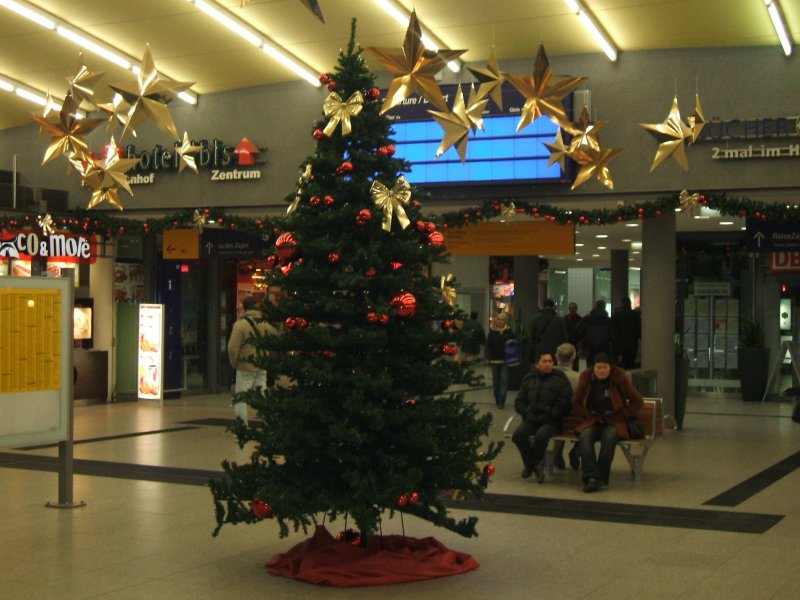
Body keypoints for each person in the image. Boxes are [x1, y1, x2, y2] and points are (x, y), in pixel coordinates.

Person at [571, 353, 643, 492]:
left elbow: (638, 401)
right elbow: (575, 402)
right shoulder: (586, 378)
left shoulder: (619, 378)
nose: (602, 370)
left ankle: (600, 478)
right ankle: (591, 475)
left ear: (610, 368)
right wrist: (585, 415)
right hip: (593, 419)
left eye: (605, 367)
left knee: (609, 439)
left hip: (615, 420)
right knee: (585, 437)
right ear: (593, 368)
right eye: (599, 367)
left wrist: (624, 414)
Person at [512, 352, 572, 483]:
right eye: (544, 361)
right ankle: (535, 465)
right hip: (531, 418)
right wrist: (526, 412)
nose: (548, 364)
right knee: (518, 435)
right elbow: (519, 401)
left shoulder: (560, 379)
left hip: (551, 420)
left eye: (550, 361)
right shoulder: (529, 379)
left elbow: (565, 401)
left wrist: (552, 413)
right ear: (537, 364)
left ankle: (530, 465)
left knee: (541, 436)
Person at [227, 296, 277, 425]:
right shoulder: (265, 323)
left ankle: (242, 425)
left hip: (245, 366)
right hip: (261, 364)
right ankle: (268, 421)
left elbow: (233, 347)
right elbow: (275, 340)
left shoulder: (240, 325)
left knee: (241, 397)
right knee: (262, 395)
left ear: (244, 307)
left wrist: (234, 362)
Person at [553, 343, 580, 470]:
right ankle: (576, 450)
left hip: (553, 419)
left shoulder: (548, 376)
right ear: (574, 358)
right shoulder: (579, 378)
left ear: (556, 357)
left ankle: (556, 452)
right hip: (575, 422)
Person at [485, 312, 514, 409]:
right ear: (496, 320)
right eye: (499, 319)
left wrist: (512, 342)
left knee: (504, 380)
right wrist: (487, 358)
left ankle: (501, 401)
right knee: (496, 381)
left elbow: (515, 344)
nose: (501, 321)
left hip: (505, 360)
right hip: (494, 360)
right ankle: (497, 398)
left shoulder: (509, 332)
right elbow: (488, 346)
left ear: (505, 321)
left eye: (503, 320)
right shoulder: (492, 332)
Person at [529, 298, 567, 363]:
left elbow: (532, 336)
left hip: (540, 351)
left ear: (543, 306)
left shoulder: (535, 319)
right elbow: (564, 337)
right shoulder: (559, 320)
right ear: (553, 307)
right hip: (555, 352)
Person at [577, 300, 612, 367]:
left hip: (590, 346)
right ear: (604, 307)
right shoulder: (608, 320)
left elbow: (580, 331)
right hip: (604, 346)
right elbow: (612, 334)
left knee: (590, 365)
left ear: (595, 306)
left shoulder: (588, 318)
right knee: (603, 364)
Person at [610, 297, 641, 369]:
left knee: (621, 364)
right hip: (632, 343)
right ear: (630, 304)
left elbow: (613, 330)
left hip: (620, 344)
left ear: (622, 304)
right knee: (631, 363)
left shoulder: (616, 315)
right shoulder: (635, 315)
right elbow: (639, 330)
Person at [563, 302, 583, 372]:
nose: (572, 310)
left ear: (576, 309)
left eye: (574, 308)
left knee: (575, 362)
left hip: (576, 344)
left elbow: (581, 333)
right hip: (567, 343)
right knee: (567, 361)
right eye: (571, 308)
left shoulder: (580, 319)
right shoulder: (565, 319)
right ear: (569, 309)